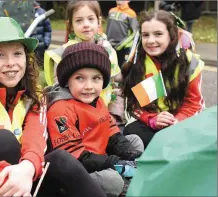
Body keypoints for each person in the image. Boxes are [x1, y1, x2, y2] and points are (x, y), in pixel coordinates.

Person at [0, 17, 107, 197]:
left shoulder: (35, 94)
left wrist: (27, 168)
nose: (11, 63)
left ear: (26, 57)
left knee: (61, 159)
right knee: (2, 139)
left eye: (17, 54)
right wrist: (4, 178)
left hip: (25, 179)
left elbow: (36, 138)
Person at [45, 42, 144, 197]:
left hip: (100, 159)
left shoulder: (97, 100)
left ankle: (133, 178)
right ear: (67, 81)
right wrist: (116, 163)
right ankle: (129, 185)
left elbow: (112, 134)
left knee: (134, 141)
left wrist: (131, 154)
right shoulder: (60, 109)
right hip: (77, 171)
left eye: (96, 78)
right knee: (113, 181)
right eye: (80, 78)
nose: (89, 86)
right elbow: (74, 157)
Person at [122, 10, 205, 148]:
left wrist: (176, 121)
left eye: (158, 34)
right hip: (153, 123)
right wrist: (152, 119)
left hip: (182, 122)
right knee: (132, 133)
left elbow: (194, 104)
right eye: (145, 35)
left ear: (171, 35)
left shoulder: (190, 62)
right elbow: (135, 106)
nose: (151, 41)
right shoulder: (138, 64)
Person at [44, 1, 125, 129]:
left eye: (90, 19)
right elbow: (59, 91)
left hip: (107, 117)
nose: (86, 25)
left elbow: (116, 85)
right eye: (79, 20)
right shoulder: (64, 54)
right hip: (77, 120)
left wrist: (114, 114)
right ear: (70, 25)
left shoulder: (109, 51)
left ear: (99, 21)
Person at [106, 1, 138, 67]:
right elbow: (108, 27)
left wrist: (121, 44)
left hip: (123, 47)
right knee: (109, 66)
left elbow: (135, 32)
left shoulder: (131, 13)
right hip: (109, 45)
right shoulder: (111, 11)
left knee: (122, 68)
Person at [30, 1, 52, 68]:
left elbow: (48, 30)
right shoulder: (22, 12)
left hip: (40, 46)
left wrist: (46, 43)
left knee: (40, 67)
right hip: (28, 45)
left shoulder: (42, 12)